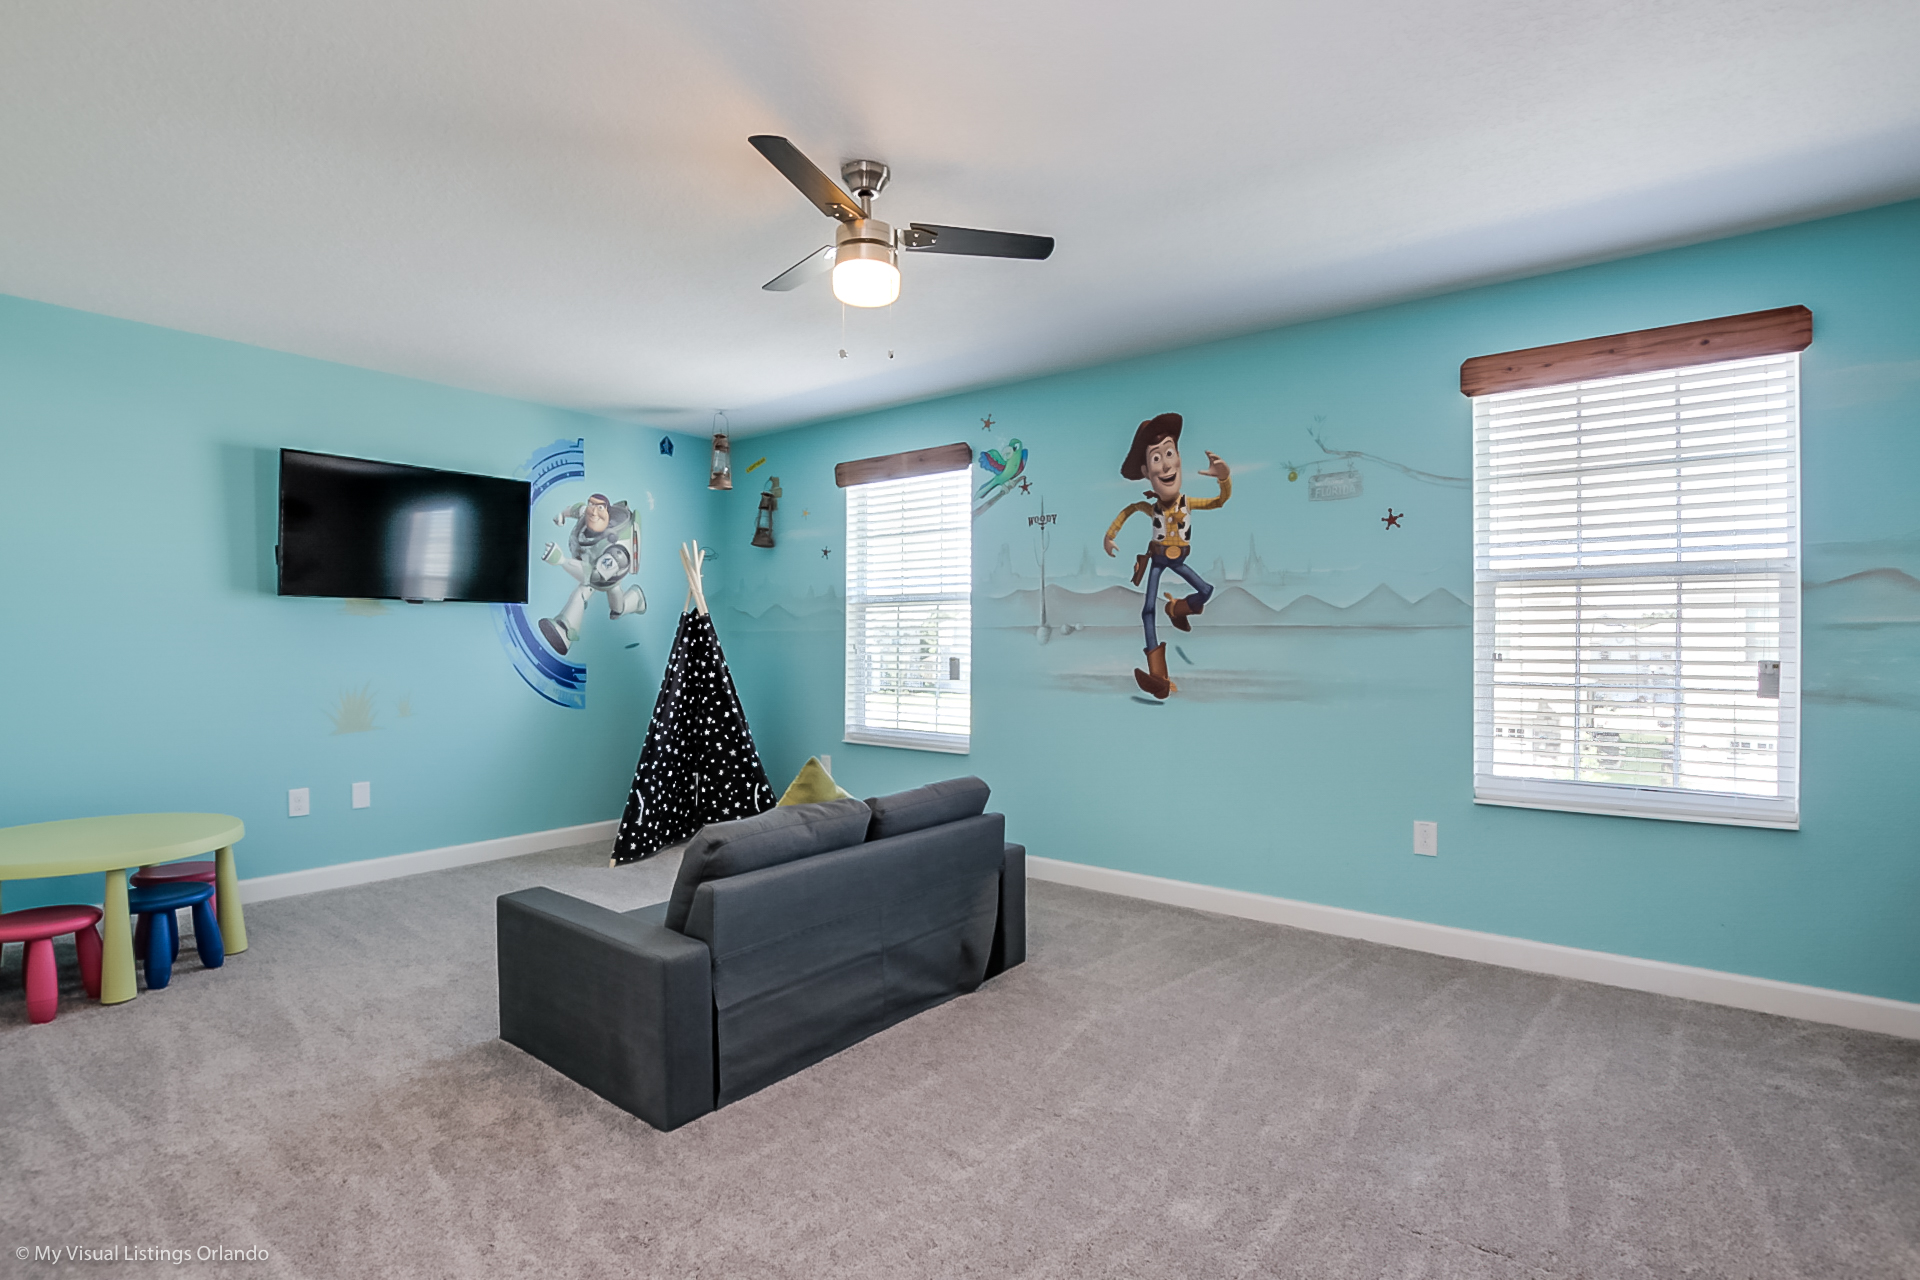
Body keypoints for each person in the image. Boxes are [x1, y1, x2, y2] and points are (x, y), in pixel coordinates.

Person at [1103, 413, 1231, 699]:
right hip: (1159, 560)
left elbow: (1219, 501)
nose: (1166, 465)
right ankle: (1159, 677)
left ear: (1179, 459)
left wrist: (1224, 479)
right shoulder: (1153, 508)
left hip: (1179, 559)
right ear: (1147, 471)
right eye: (1156, 458)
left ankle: (1176, 609)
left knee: (1206, 591)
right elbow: (1130, 509)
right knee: (1147, 610)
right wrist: (1110, 535)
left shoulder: (1188, 503)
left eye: (1169, 453)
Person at [538, 493, 644, 656]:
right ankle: (565, 630)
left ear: (607, 511)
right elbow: (576, 509)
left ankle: (635, 600)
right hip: (590, 564)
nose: (593, 511)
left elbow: (593, 576)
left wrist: (562, 561)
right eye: (591, 505)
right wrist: (562, 515)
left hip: (606, 579)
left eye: (599, 507)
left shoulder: (617, 552)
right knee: (581, 595)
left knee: (615, 607)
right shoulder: (588, 516)